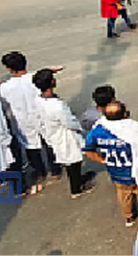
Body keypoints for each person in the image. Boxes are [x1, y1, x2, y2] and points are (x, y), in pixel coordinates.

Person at [0, 51, 60, 194]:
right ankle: (55, 170)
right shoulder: (35, 79)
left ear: (9, 69)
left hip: (23, 120)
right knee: (49, 142)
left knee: (31, 147)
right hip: (41, 115)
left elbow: (3, 104)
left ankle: (40, 172)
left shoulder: (5, 87)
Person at [83, 101, 138, 226]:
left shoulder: (98, 130)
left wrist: (103, 160)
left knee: (123, 195)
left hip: (116, 171)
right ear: (125, 114)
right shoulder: (135, 129)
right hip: (136, 171)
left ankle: (129, 217)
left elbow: (88, 151)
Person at [33, 69, 96, 198]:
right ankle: (76, 189)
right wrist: (82, 126)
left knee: (68, 159)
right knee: (73, 160)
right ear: (53, 82)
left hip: (52, 133)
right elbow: (69, 122)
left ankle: (78, 179)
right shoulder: (57, 106)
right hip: (65, 135)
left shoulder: (38, 100)